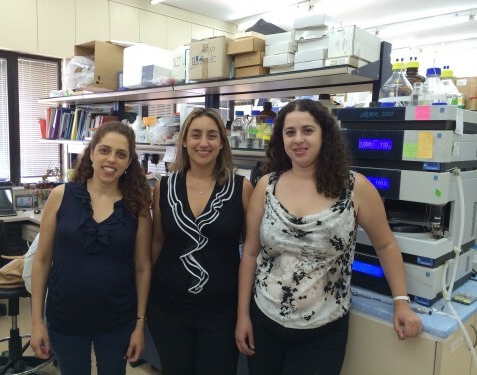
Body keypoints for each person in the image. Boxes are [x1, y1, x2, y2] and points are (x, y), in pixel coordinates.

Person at [235, 99, 422, 375]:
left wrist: (401, 303)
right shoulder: (266, 186)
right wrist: (243, 316)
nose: (298, 139)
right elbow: (250, 253)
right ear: (281, 139)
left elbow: (385, 244)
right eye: (290, 132)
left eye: (307, 130)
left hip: (322, 332)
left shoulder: (354, 187)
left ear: (325, 134)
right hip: (265, 321)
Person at [30, 121, 153, 375]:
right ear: (93, 152)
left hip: (117, 321)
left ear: (129, 162)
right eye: (105, 150)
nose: (112, 160)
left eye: (121, 154)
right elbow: (41, 261)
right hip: (66, 318)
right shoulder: (61, 196)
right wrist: (36, 321)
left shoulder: (137, 207)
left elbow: (142, 268)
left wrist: (140, 324)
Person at [148, 108, 253, 375]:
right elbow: (157, 242)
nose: (203, 143)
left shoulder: (242, 188)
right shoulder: (165, 186)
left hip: (222, 312)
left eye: (211, 136)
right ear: (184, 140)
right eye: (196, 135)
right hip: (168, 308)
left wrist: (244, 313)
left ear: (221, 143)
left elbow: (251, 254)